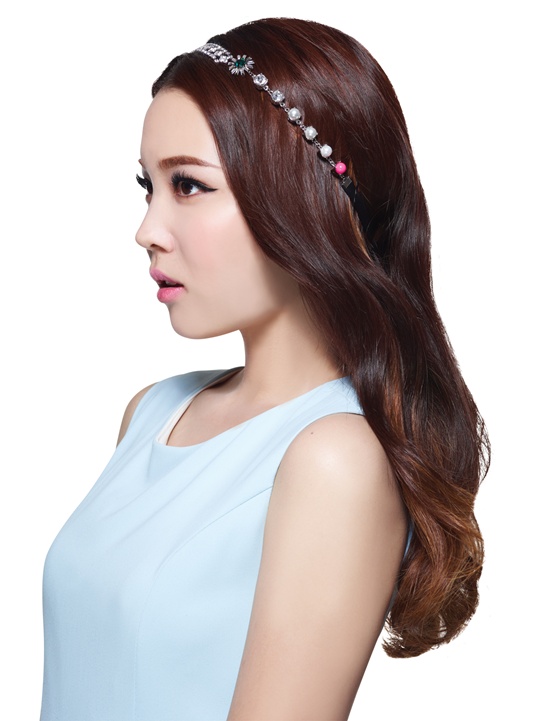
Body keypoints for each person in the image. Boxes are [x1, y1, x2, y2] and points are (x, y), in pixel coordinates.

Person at [39, 17, 489, 721]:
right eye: (148, 187)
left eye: (189, 185)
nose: (147, 230)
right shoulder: (152, 413)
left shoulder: (334, 461)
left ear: (302, 195)